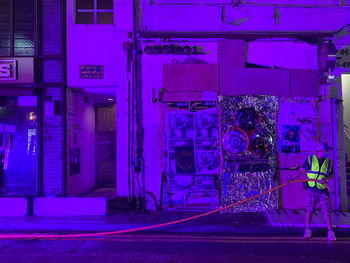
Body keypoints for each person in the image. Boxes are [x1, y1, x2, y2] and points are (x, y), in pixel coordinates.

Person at [292, 142, 336, 242]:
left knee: (326, 211)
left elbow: (332, 174)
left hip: (322, 191)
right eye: (326, 150)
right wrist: (293, 178)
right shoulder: (311, 159)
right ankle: (308, 230)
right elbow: (301, 171)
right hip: (311, 190)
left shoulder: (328, 162)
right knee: (309, 210)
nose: (327, 152)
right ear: (320, 151)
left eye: (327, 151)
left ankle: (330, 232)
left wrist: (326, 178)